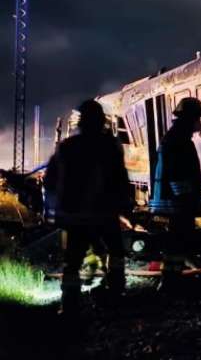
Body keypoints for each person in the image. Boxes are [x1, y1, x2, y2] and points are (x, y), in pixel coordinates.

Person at [43, 99, 130, 315]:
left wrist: (54, 210)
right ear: (102, 121)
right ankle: (116, 292)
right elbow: (120, 179)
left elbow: (49, 180)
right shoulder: (110, 147)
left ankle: (70, 303)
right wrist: (125, 206)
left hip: (75, 216)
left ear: (79, 123)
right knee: (116, 252)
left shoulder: (67, 147)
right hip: (104, 213)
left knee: (72, 261)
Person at [149, 96, 201, 292]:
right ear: (190, 119)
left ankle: (173, 278)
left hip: (174, 201)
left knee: (177, 241)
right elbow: (178, 172)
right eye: (198, 119)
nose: (199, 124)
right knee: (178, 240)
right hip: (177, 202)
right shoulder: (178, 141)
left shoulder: (174, 137)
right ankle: (172, 281)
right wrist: (187, 199)